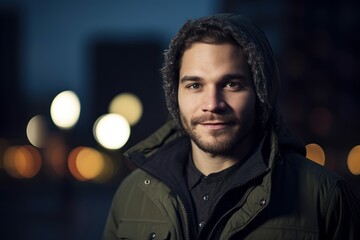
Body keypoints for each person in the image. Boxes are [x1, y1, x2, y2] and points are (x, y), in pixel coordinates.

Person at [103, 13, 360, 239]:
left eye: (231, 84)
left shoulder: (324, 199)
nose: (212, 104)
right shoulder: (133, 193)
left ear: (261, 93)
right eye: (195, 85)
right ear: (175, 95)